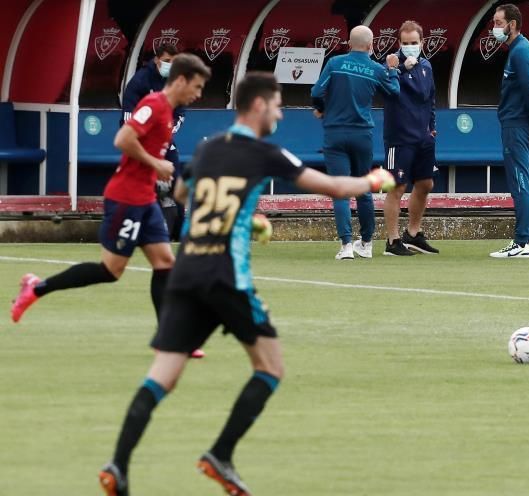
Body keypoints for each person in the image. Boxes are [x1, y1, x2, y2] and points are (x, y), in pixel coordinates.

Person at [97, 71, 396, 496]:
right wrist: (371, 181)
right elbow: (330, 186)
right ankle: (220, 453)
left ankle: (119, 465)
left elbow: (183, 194)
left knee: (161, 377)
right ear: (258, 106)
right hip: (225, 275)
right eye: (275, 105)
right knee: (271, 367)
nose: (278, 112)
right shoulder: (264, 153)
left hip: (186, 271)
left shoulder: (207, 148)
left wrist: (238, 216)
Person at [11, 54, 211, 359]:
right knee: (110, 270)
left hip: (145, 199)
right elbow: (123, 138)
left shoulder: (170, 112)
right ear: (180, 80)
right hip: (126, 198)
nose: (198, 95)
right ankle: (37, 288)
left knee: (165, 264)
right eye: (196, 87)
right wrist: (155, 162)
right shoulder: (154, 105)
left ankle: (169, 339)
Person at [311, 25, 400, 260]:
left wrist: (321, 109)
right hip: (363, 135)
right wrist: (391, 70)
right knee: (363, 189)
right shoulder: (375, 68)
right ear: (371, 46)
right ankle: (367, 244)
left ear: (348, 43)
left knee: (340, 190)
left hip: (335, 134)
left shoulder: (335, 63)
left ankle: (347, 246)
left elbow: (316, 92)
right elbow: (394, 92)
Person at [489, 3, 529, 259]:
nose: (494, 28)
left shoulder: (521, 52)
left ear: (512, 25)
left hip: (516, 125)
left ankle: (521, 242)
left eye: (499, 23)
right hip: (520, 123)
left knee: (521, 183)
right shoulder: (520, 50)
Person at [381, 20, 439, 256]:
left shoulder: (426, 66)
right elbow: (384, 86)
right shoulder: (391, 64)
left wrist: (432, 126)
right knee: (397, 186)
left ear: (422, 42)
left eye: (414, 43)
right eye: (405, 43)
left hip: (423, 136)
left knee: (426, 183)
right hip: (400, 136)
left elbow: (431, 98)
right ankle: (392, 241)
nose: (410, 47)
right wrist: (401, 68)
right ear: (399, 43)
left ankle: (413, 234)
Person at [122, 42, 186, 241]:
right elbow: (127, 118)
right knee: (145, 186)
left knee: (176, 181)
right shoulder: (140, 81)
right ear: (157, 60)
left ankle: (180, 232)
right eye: (167, 61)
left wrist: (166, 134)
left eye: (174, 62)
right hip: (141, 143)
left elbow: (180, 114)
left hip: (165, 142)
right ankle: (145, 230)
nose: (170, 65)